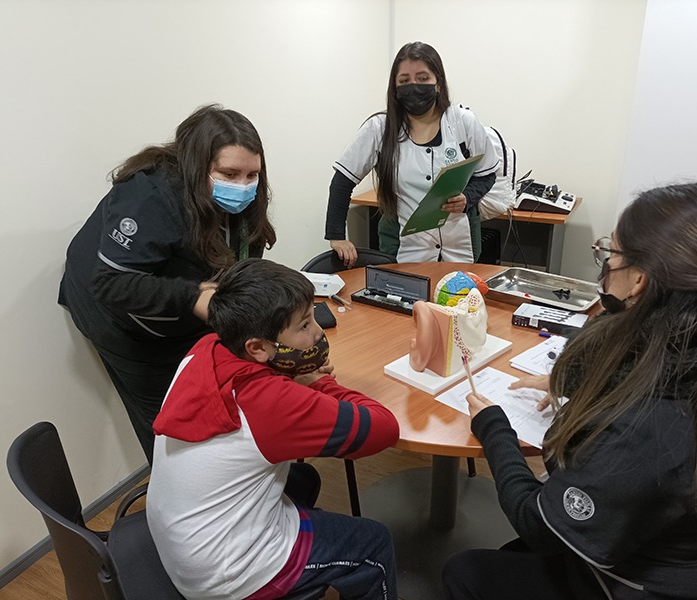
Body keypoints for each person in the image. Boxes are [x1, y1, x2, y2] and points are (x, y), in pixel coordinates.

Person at [442, 183, 697, 599]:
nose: (604, 265)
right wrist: (570, 383)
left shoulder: (647, 429)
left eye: (610, 254)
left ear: (639, 280)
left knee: (466, 571)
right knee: (515, 553)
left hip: (638, 585)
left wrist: (494, 426)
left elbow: (539, 524)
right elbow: (630, 369)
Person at [146, 258, 399, 600]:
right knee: (374, 541)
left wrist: (294, 377)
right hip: (228, 574)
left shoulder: (206, 350)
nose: (317, 332)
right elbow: (384, 429)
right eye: (305, 324)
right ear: (258, 347)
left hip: (183, 542)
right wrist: (321, 383)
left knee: (304, 480)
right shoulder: (270, 404)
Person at [58, 104, 276, 464]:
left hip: (183, 297)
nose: (243, 185)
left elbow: (240, 255)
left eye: (252, 174)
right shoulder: (149, 195)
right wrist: (193, 296)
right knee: (169, 420)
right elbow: (112, 283)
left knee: (207, 385)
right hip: (116, 314)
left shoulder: (244, 193)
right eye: (230, 173)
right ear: (196, 165)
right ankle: (177, 496)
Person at [324, 41, 499, 267]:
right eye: (404, 81)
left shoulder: (462, 122)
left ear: (438, 83)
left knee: (459, 296)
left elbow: (487, 172)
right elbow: (342, 181)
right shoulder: (380, 128)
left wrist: (468, 198)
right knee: (404, 297)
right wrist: (337, 236)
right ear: (395, 88)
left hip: (460, 239)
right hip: (403, 242)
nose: (414, 86)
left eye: (423, 78)